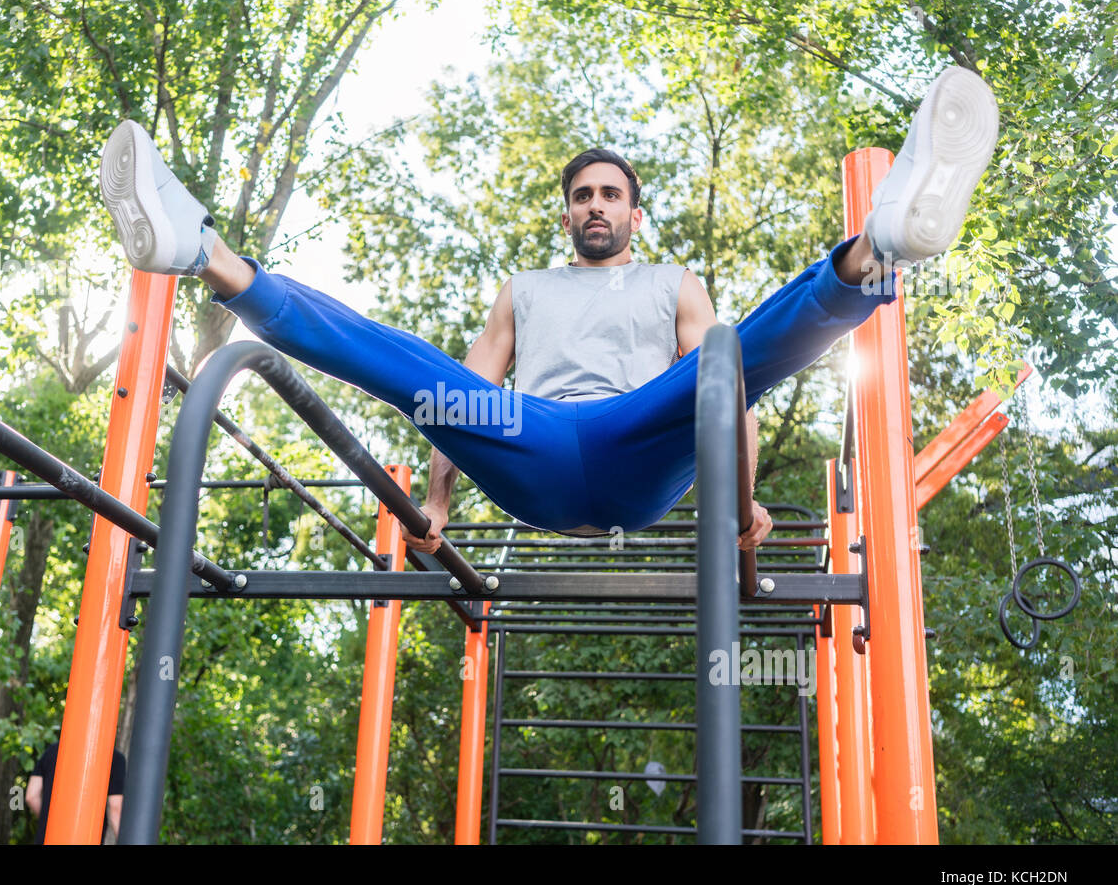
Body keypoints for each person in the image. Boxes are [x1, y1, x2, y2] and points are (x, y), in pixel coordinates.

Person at [97, 66, 998, 549]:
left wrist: (739, 505)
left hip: (638, 441)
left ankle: (877, 246)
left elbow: (728, 395)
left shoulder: (672, 282)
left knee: (732, 348)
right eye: (584, 196)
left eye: (612, 194)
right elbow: (456, 398)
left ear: (634, 214)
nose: (597, 205)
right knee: (398, 362)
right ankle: (203, 252)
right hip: (531, 441)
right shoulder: (524, 292)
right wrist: (439, 507)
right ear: (568, 213)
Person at [26, 740, 128, 844]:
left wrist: (48, 821)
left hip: (48, 838)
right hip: (87, 839)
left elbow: (31, 796)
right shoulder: (113, 757)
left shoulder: (51, 751)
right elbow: (115, 808)